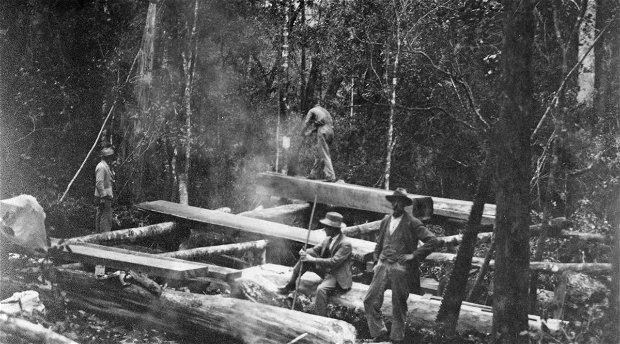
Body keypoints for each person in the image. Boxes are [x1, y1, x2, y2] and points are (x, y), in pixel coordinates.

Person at [363, 187, 439, 343]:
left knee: (398, 305)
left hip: (400, 268)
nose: (396, 205)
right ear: (392, 203)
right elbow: (380, 241)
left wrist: (414, 255)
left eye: (400, 202)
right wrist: (377, 257)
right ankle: (379, 333)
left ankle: (396, 339)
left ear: (404, 204)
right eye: (394, 201)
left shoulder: (412, 222)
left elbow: (433, 241)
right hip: (383, 265)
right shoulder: (386, 220)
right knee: (370, 300)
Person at [278, 212, 352, 316]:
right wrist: (304, 252)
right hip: (327, 272)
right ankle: (291, 284)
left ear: (334, 228)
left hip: (337, 276)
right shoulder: (328, 239)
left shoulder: (345, 244)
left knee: (321, 290)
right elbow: (314, 250)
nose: (324, 229)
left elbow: (334, 262)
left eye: (326, 227)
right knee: (308, 253)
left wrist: (312, 259)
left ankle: (321, 317)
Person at [300, 104, 336, 182]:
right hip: (331, 131)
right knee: (319, 153)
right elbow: (322, 125)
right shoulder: (325, 112)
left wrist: (302, 132)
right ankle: (313, 174)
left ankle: (330, 175)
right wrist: (310, 132)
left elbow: (306, 123)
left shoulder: (312, 110)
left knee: (324, 154)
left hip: (323, 131)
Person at [94, 147, 115, 232]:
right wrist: (103, 196)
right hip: (103, 196)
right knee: (106, 217)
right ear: (106, 157)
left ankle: (100, 235)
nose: (111, 158)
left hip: (106, 195)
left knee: (102, 215)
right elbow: (99, 183)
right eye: (110, 156)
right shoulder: (101, 167)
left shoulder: (106, 166)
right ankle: (104, 237)